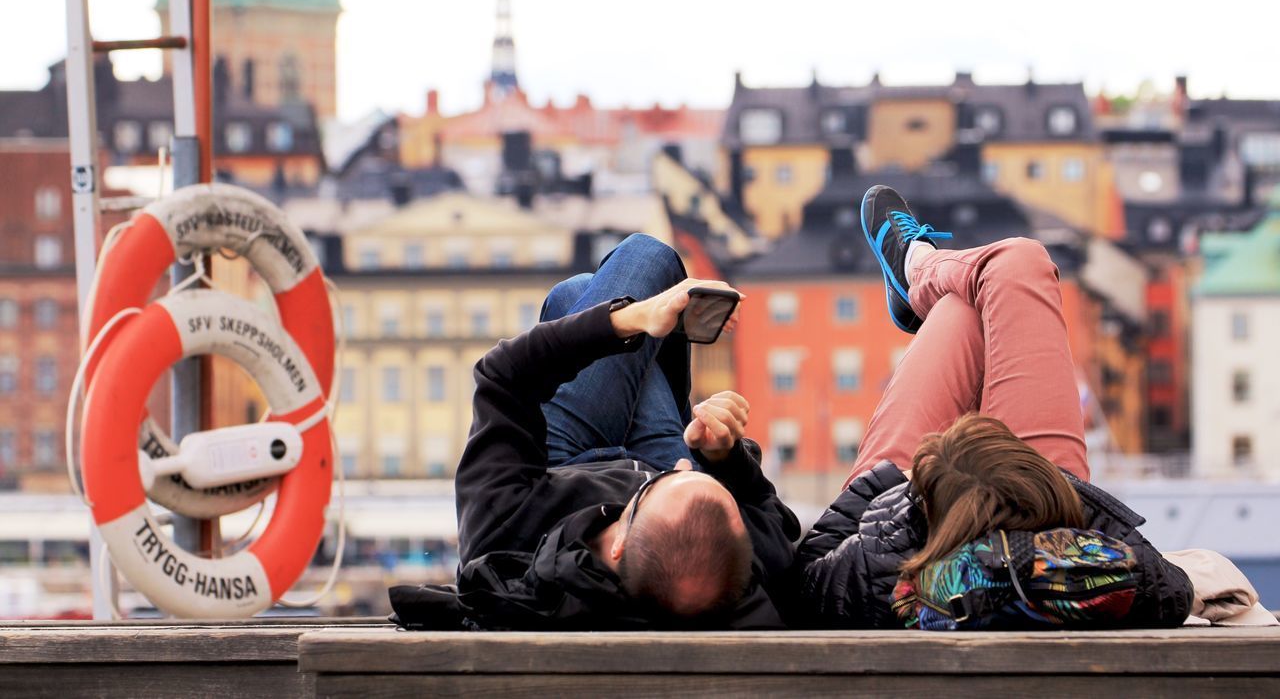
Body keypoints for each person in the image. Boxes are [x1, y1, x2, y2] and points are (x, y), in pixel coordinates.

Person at [791, 185, 1193, 629]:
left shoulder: (857, 583)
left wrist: (909, 493)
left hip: (967, 512)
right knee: (995, 277)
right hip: (1034, 503)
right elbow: (1170, 586)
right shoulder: (874, 581)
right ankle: (918, 270)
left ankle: (918, 266)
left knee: (978, 294)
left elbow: (809, 570)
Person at [390, 234, 800, 630]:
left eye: (661, 484)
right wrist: (723, 460)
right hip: (652, 486)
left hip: (559, 463)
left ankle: (638, 320)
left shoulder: (503, 541)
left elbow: (503, 376)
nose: (681, 463)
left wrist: (630, 319)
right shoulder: (726, 575)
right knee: (590, 298)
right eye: (690, 472)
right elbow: (768, 514)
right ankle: (639, 328)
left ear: (619, 542)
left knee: (622, 270)